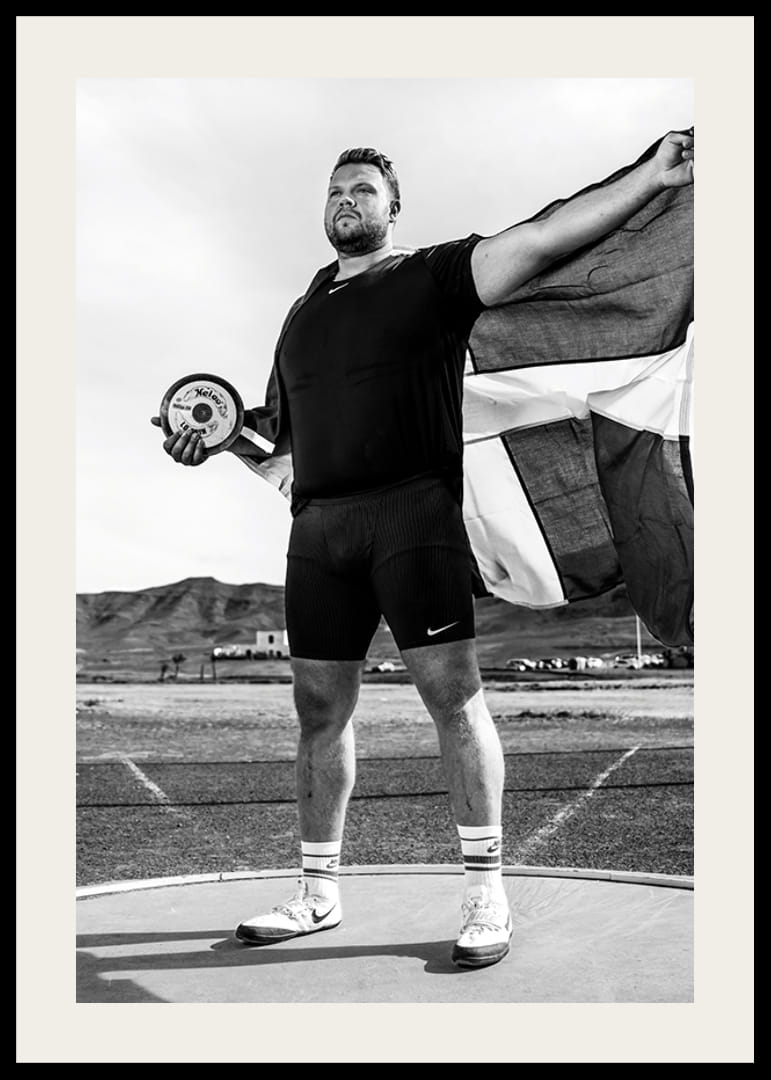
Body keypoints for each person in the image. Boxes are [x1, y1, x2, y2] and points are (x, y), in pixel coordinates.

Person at [151, 131, 694, 969]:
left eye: (363, 189)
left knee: (453, 699)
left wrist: (650, 177)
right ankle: (317, 892)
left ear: (392, 208)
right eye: (336, 189)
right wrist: (213, 438)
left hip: (412, 519)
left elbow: (542, 239)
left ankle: (484, 893)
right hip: (320, 530)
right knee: (318, 711)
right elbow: (282, 443)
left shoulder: (430, 277)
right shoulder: (302, 313)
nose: (346, 199)